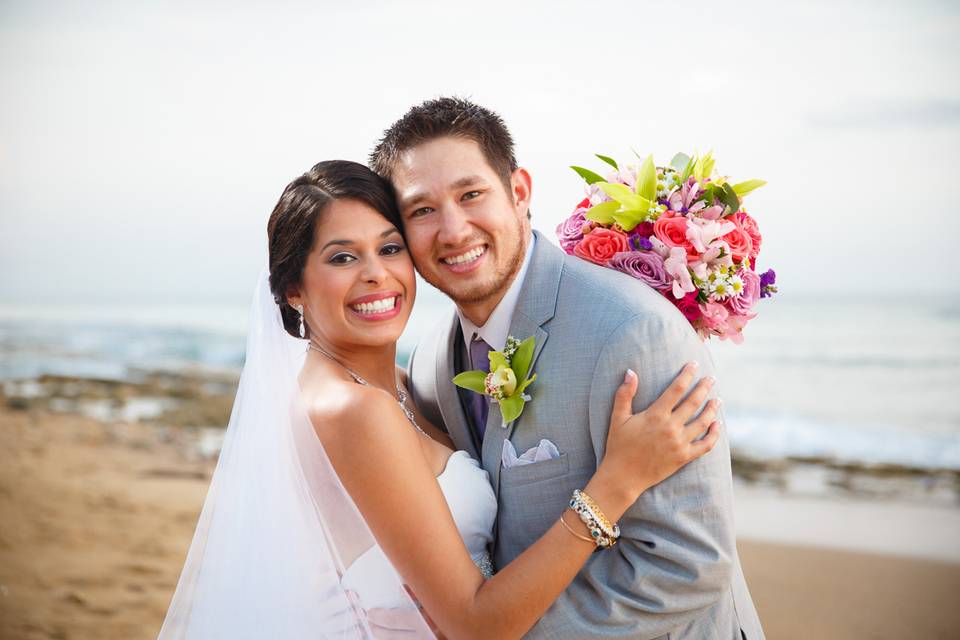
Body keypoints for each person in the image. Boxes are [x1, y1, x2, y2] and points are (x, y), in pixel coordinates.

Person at [159, 160, 721, 639]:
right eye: (342, 257)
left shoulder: (407, 383)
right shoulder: (354, 408)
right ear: (292, 288)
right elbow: (475, 626)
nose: (377, 275)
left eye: (389, 247)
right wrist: (618, 481)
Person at [369, 97, 765, 639]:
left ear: (519, 192)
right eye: (422, 210)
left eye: (471, 195)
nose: (454, 230)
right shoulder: (433, 360)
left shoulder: (631, 331)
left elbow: (686, 564)